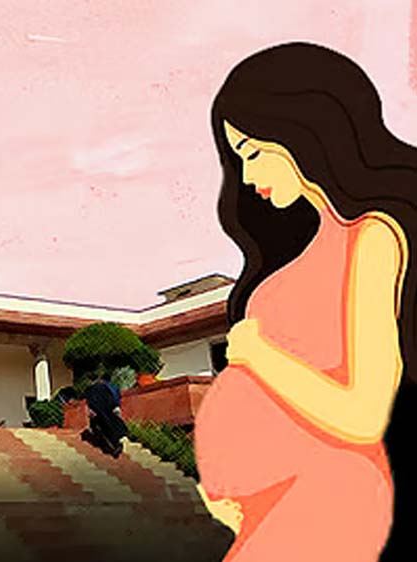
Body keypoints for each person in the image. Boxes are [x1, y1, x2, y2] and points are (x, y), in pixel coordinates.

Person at [193, 42, 417, 562]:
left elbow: (363, 413)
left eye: (253, 153)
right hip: (277, 501)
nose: (248, 177)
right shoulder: (303, 250)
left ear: (305, 129)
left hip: (333, 492)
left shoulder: (372, 236)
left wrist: (256, 354)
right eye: (238, 159)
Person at [81, 373, 128, 458]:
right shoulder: (103, 387)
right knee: (112, 428)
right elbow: (110, 398)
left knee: (102, 430)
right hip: (108, 411)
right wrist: (115, 406)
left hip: (99, 413)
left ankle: (112, 447)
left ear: (89, 380)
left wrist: (91, 410)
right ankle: (115, 445)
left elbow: (90, 402)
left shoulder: (89, 390)